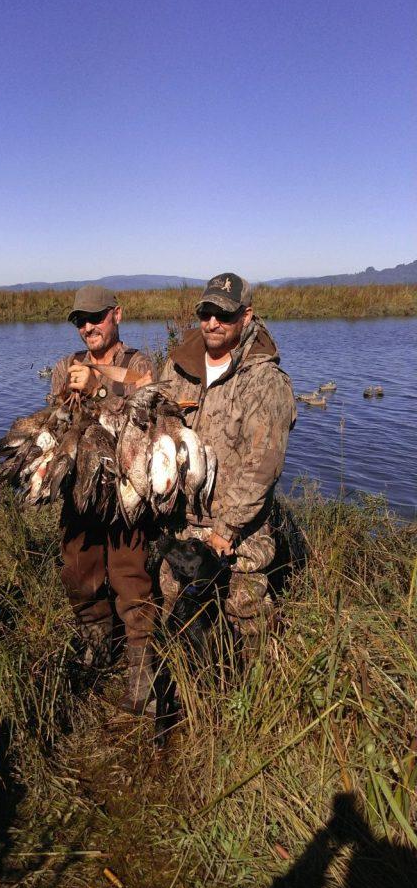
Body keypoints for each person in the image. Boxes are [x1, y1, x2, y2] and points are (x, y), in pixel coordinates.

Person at [159, 272, 297, 655]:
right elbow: (155, 420)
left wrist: (226, 530)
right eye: (205, 312)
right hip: (184, 525)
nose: (212, 322)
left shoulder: (265, 382)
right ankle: (190, 698)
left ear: (246, 315)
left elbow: (262, 468)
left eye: (224, 313)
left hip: (239, 532)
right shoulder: (176, 368)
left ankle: (253, 700)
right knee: (178, 612)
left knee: (245, 614)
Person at [50, 284, 158, 714]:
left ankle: (141, 672)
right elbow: (57, 425)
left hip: (124, 492)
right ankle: (98, 646)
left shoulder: (139, 363)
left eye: (95, 317)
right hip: (79, 493)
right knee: (79, 573)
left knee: (131, 578)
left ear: (118, 314)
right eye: (80, 320)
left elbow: (147, 418)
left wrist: (97, 389)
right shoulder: (65, 366)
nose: (88, 327)